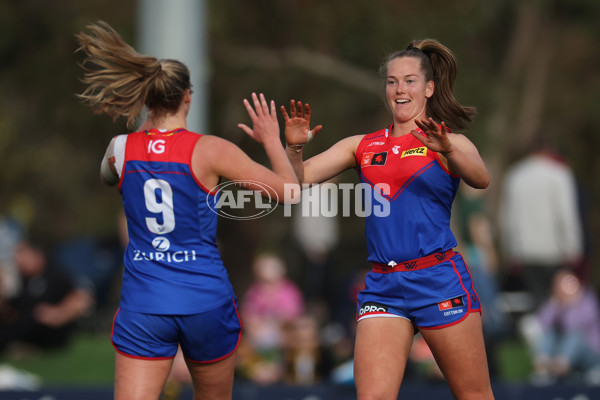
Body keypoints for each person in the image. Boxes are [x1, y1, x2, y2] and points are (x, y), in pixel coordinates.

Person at [75, 21, 299, 400]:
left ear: (147, 99)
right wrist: (273, 141)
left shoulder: (120, 148)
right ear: (188, 97)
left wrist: (145, 130)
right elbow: (289, 192)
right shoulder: (211, 150)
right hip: (204, 300)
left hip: (145, 303)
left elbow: (108, 176)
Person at [282, 39, 494, 399]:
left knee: (474, 394)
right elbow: (295, 181)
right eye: (393, 81)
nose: (400, 89)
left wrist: (449, 150)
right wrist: (294, 148)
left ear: (428, 88)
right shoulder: (362, 145)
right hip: (384, 285)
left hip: (438, 278)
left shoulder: (447, 141)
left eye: (410, 81)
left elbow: (481, 178)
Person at [499, 141, 584, 309]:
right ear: (549, 150)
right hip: (555, 250)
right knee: (557, 301)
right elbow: (566, 214)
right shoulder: (559, 173)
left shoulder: (515, 175)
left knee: (536, 300)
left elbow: (508, 217)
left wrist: (510, 250)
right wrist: (573, 247)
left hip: (526, 251)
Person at [0, 239, 94, 353]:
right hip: (25, 326)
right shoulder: (22, 280)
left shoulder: (55, 274)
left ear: (36, 254)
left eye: (22, 254)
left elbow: (82, 298)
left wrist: (59, 313)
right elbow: (11, 310)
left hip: (49, 330)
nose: (19, 260)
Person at [526, 269, 600, 385]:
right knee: (550, 333)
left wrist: (571, 303)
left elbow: (573, 325)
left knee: (575, 337)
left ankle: (561, 365)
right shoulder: (555, 303)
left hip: (591, 356)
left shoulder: (588, 300)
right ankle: (543, 365)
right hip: (561, 351)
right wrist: (556, 304)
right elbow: (542, 324)